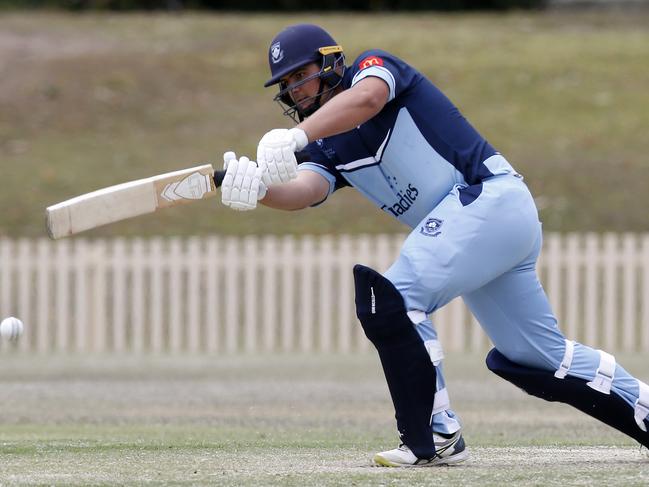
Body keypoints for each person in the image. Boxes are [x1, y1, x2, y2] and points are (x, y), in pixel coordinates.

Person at [220, 23, 649, 467]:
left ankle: (437, 434)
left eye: (300, 75)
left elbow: (367, 100)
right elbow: (305, 191)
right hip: (481, 226)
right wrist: (256, 191)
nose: (295, 90)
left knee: (397, 298)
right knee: (538, 356)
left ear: (330, 63)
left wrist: (296, 135)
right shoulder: (325, 143)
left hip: (489, 199)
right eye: (286, 85)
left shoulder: (374, 67)